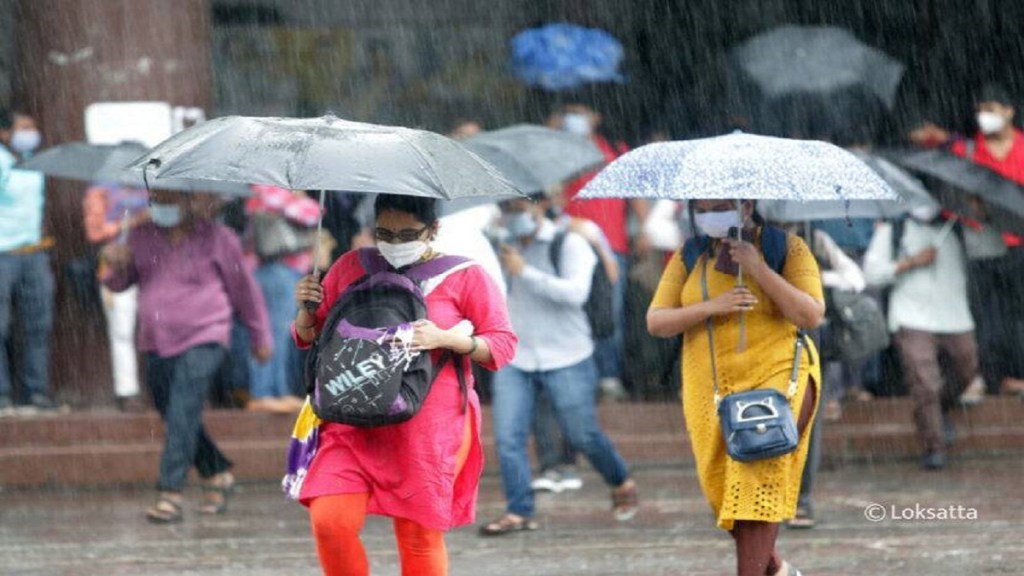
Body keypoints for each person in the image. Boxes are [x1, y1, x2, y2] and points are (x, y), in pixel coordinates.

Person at [292, 194, 517, 576]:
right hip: (353, 413)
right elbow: (312, 336)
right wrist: (305, 311)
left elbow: (502, 345)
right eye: (384, 233)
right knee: (330, 521)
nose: (395, 243)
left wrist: (447, 339)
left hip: (429, 424)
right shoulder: (350, 266)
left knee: (418, 539)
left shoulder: (464, 274)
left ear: (433, 230)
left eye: (407, 233)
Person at [647, 199, 823, 576]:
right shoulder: (690, 254)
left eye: (722, 206)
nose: (712, 215)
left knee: (756, 474)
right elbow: (657, 322)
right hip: (710, 386)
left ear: (746, 205)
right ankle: (776, 569)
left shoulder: (788, 248)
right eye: (704, 208)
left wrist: (757, 267)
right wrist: (712, 306)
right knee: (726, 492)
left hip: (778, 377)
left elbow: (809, 314)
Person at [100, 189, 273, 523]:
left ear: (190, 199)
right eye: (158, 200)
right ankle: (217, 471)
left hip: (206, 333)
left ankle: (170, 493)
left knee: (183, 406)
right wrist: (113, 263)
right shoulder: (139, 235)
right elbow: (118, 284)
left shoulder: (219, 237)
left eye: (171, 199)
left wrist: (259, 335)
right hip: (156, 339)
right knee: (175, 412)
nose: (163, 207)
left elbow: (244, 290)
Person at [481, 193, 638, 536]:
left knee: (581, 432)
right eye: (505, 209)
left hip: (567, 352)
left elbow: (575, 294)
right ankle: (519, 510)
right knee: (508, 436)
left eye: (519, 209)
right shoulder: (498, 245)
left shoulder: (569, 242)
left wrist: (526, 272)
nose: (512, 217)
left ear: (540, 206)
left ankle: (619, 479)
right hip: (516, 355)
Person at [909, 82, 1024, 399]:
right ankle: (984, 375)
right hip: (980, 241)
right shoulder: (966, 151)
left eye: (990, 109)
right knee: (985, 313)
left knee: (1018, 313)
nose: (983, 116)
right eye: (980, 110)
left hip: (1019, 241)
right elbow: (948, 190)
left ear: (1009, 112)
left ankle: (1017, 373)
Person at [863, 208, 979, 470]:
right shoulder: (895, 226)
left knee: (966, 369)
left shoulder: (958, 224)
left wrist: (980, 214)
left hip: (955, 314)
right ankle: (933, 445)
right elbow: (872, 272)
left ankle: (936, 412)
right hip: (911, 315)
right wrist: (911, 262)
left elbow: (989, 250)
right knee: (924, 382)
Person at [554, 103, 651, 401]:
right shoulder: (559, 152)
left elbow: (636, 196)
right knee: (573, 311)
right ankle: (580, 375)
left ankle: (608, 377)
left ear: (597, 116)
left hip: (613, 245)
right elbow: (553, 197)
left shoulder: (616, 150)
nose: (576, 118)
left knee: (610, 312)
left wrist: (644, 228)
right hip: (571, 244)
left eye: (581, 112)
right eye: (571, 112)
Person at [243, 185, 320, 413]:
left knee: (282, 334)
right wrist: (296, 198)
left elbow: (315, 212)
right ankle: (261, 392)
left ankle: (278, 390)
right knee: (270, 332)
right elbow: (308, 213)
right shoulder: (265, 188)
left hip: (289, 270)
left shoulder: (279, 193)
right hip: (275, 268)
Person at [0, 108, 56, 413]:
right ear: (4, 133)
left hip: (34, 254)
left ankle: (35, 392)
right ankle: (2, 394)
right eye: (23, 127)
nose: (30, 132)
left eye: (33, 127)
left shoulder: (35, 162)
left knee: (38, 325)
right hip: (3, 255)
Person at [82, 182, 149, 411]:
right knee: (121, 332)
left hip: (153, 268)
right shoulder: (100, 191)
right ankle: (127, 391)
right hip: (115, 271)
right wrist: (130, 222)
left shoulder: (155, 188)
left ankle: (163, 384)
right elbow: (95, 232)